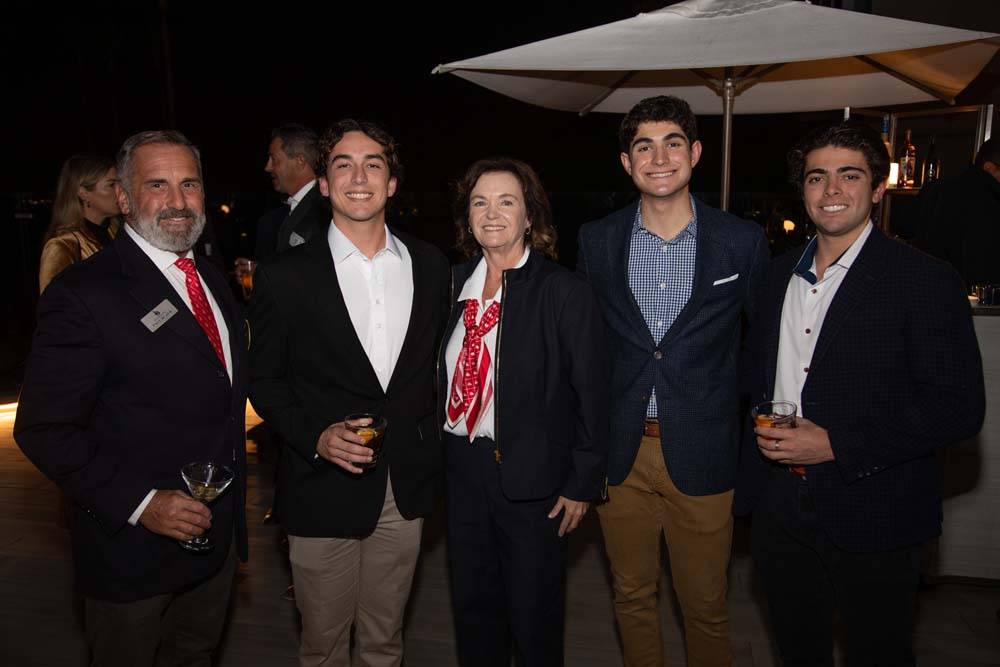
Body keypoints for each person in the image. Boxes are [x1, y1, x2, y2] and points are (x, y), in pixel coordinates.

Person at [735, 121, 985, 666]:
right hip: (779, 506)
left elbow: (958, 407)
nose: (831, 190)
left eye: (849, 175)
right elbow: (755, 379)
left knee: (879, 653)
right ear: (802, 190)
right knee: (797, 652)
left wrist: (836, 445)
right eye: (816, 177)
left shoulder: (924, 279)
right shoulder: (774, 278)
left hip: (878, 505)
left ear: (878, 187)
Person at [15, 130, 248, 667]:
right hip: (131, 552)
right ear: (123, 197)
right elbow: (44, 428)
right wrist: (143, 504)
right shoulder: (84, 292)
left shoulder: (213, 281)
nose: (178, 201)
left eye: (190, 184)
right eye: (157, 185)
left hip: (214, 544)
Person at [247, 118, 450, 667]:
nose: (359, 177)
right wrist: (314, 435)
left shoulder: (432, 266)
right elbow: (264, 380)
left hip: (405, 488)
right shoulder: (283, 276)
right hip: (320, 488)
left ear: (392, 183)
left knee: (385, 642)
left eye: (373, 165)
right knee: (323, 647)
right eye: (343, 164)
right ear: (324, 183)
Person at [576, 95, 769, 667]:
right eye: (645, 146)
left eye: (673, 143)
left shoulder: (741, 241)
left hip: (706, 452)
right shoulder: (596, 240)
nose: (659, 158)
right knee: (632, 596)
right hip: (622, 453)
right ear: (627, 162)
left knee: (706, 606)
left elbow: (761, 346)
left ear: (696, 153)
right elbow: (586, 347)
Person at [440, 157, 609, 666]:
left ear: (530, 216)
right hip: (462, 474)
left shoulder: (564, 291)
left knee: (535, 624)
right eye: (480, 202)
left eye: (506, 201)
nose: (492, 213)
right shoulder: (451, 287)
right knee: (473, 614)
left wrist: (582, 482)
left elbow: (593, 393)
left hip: (534, 482)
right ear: (467, 217)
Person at [235, 123, 329, 286]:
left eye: (274, 159)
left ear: (300, 161)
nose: (267, 167)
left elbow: (320, 274)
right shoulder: (273, 218)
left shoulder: (327, 210)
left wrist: (264, 274)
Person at [916, 137, 1000, 289]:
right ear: (989, 168)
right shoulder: (989, 200)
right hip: (974, 294)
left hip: (926, 287)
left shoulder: (938, 189)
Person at [39, 154, 122, 292]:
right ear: (83, 193)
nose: (121, 191)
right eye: (111, 185)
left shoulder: (116, 232)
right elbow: (54, 301)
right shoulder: (63, 245)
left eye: (120, 184)